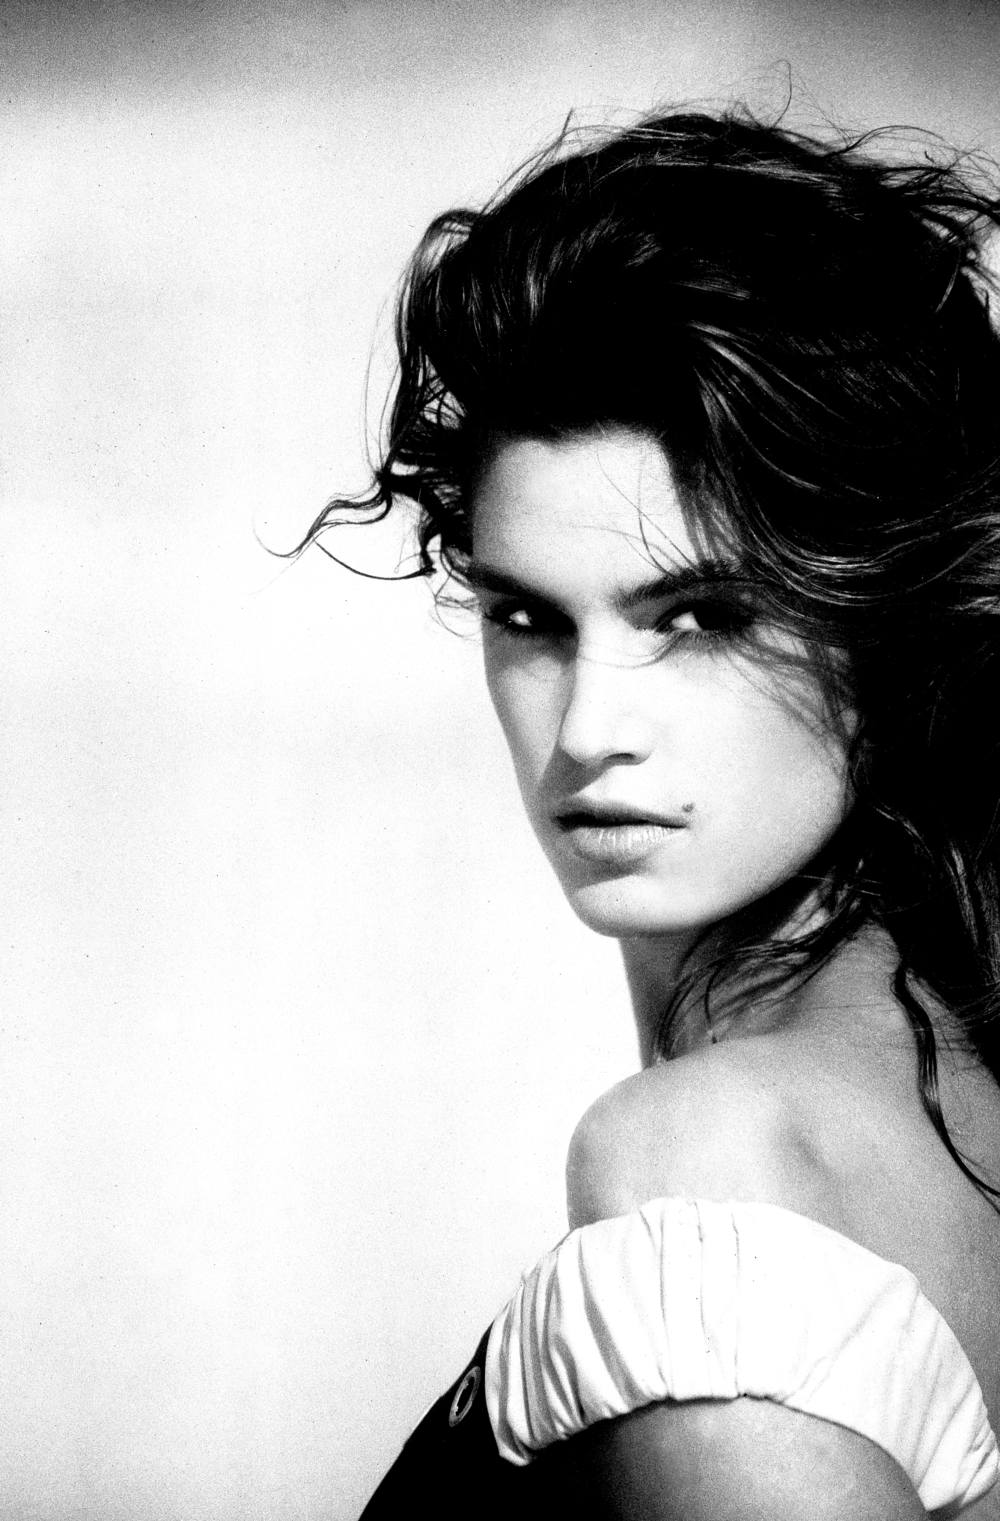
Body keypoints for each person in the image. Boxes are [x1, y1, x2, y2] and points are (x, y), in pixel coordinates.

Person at [310, 107, 1000, 1517]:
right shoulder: (952, 1109)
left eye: (699, 617)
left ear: (886, 622)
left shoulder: (710, 1162)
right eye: (527, 618)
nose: (585, 731)